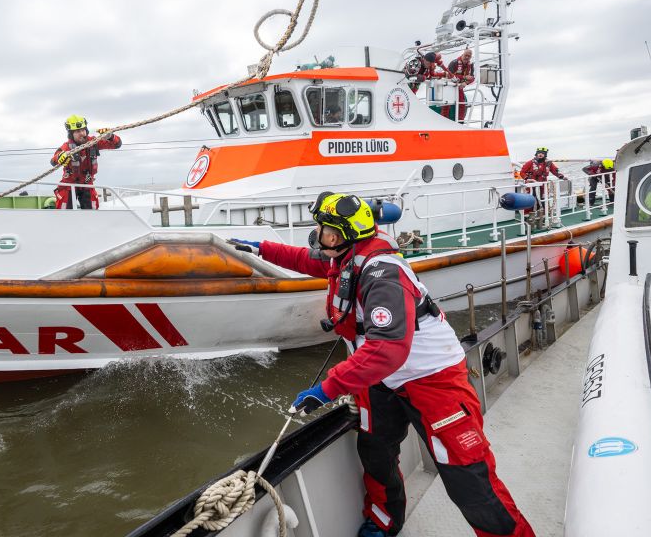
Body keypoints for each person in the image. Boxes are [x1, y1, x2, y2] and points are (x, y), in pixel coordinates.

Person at [228, 193, 534, 537]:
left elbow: (388, 349)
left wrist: (327, 389)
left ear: (346, 236)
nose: (320, 237)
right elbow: (306, 259)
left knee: (467, 476)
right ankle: (383, 520)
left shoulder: (383, 274)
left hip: (432, 378)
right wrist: (260, 249)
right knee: (375, 451)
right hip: (381, 377)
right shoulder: (347, 256)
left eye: (327, 232)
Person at [50, 114, 121, 209]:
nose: (82, 133)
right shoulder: (66, 147)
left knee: (92, 210)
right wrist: (60, 157)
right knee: (64, 209)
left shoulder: (93, 142)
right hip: (69, 184)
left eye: (83, 130)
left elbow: (117, 145)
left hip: (87, 183)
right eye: (77, 131)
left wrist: (110, 136)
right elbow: (53, 161)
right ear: (71, 134)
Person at [519, 147, 566, 223]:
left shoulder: (548, 163)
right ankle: (527, 216)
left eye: (542, 153)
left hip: (543, 185)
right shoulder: (530, 163)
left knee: (544, 200)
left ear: (545, 155)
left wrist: (562, 177)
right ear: (536, 154)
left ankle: (543, 216)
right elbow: (522, 172)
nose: (540, 154)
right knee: (530, 199)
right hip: (532, 185)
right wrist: (527, 179)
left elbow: (555, 171)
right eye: (539, 153)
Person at [448, 48, 476, 122]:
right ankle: (445, 120)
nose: (467, 57)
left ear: (471, 57)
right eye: (466, 55)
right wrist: (464, 77)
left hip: (460, 87)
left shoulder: (470, 65)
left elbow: (473, 78)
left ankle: (460, 122)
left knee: (462, 103)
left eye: (469, 56)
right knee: (446, 104)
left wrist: (465, 83)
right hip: (449, 86)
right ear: (462, 54)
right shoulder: (454, 63)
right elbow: (449, 75)